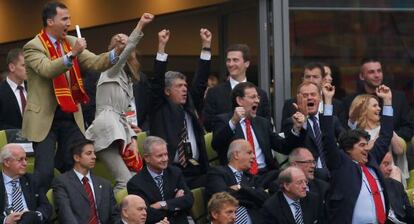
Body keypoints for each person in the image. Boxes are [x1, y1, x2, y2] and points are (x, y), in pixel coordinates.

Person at [22, 1, 126, 191]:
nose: (69, 23)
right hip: (45, 119)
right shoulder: (33, 46)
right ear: (50, 21)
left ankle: (77, 210)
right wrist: (72, 54)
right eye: (65, 19)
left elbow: (95, 63)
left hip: (70, 114)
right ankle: (40, 211)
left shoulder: (69, 42)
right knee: (45, 172)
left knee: (80, 165)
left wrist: (116, 51)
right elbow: (47, 69)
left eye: (69, 18)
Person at [85, 13, 153, 192]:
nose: (123, 46)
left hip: (118, 128)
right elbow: (126, 50)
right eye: (118, 44)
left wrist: (130, 132)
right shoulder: (111, 69)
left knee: (134, 180)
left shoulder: (127, 77)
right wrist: (140, 25)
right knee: (125, 182)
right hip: (106, 130)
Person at [322, 82, 393, 223]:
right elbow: (328, 137)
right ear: (348, 148)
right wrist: (328, 101)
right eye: (361, 145)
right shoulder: (340, 162)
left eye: (367, 145)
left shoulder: (371, 159)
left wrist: (387, 101)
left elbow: (385, 135)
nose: (367, 148)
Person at [149, 29, 211, 189]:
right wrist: (161, 46)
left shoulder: (190, 105)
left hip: (196, 169)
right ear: (167, 91)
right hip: (171, 172)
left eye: (185, 86)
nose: (184, 89)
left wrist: (206, 46)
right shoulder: (160, 107)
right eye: (179, 86)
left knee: (220, 179)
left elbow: (201, 81)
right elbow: (157, 80)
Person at [211, 82, 305, 181]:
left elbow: (283, 147)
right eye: (253, 97)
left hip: (266, 174)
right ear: (239, 100)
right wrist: (233, 122)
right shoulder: (224, 120)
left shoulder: (262, 123)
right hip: (239, 176)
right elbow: (216, 144)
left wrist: (296, 129)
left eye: (258, 97)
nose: (257, 101)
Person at [342, 57, 414, 142]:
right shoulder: (350, 101)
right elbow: (346, 131)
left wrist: (387, 139)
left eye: (379, 71)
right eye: (371, 72)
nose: (377, 75)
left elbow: (409, 128)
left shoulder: (399, 98)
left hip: (394, 148)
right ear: (362, 76)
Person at [283, 81, 344, 181]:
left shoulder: (331, 120)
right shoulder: (292, 122)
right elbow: (292, 145)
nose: (310, 97)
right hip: (309, 176)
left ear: (320, 98)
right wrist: (303, 121)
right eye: (305, 95)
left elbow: (344, 140)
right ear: (299, 99)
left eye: (313, 94)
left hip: (334, 171)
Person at [203, 44, 271, 132]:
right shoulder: (214, 93)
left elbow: (266, 125)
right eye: (228, 60)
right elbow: (208, 124)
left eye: (235, 60)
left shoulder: (261, 94)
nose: (231, 64)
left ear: (247, 63)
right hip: (226, 143)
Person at [127, 136, 194, 224]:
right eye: (160, 156)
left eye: (166, 154)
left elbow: (189, 200)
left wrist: (161, 204)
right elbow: (146, 215)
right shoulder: (135, 184)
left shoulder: (175, 172)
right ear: (147, 158)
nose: (165, 159)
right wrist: (175, 204)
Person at [52, 139, 119, 224]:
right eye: (89, 153)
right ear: (76, 157)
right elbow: (66, 214)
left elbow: (115, 215)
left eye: (94, 153)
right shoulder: (62, 182)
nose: (94, 156)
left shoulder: (105, 184)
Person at [349, 94, 408, 185]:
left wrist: (387, 128)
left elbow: (399, 150)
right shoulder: (356, 135)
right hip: (367, 178)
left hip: (391, 176)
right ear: (364, 109)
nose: (379, 108)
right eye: (374, 106)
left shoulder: (385, 129)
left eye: (379, 105)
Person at [206, 139, 269, 223]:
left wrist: (240, 188)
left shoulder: (251, 177)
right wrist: (251, 196)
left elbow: (265, 199)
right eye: (249, 153)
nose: (254, 156)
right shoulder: (217, 172)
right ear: (236, 155)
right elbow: (221, 198)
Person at [281, 62, 345, 132]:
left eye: (315, 77)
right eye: (308, 77)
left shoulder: (336, 105)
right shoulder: (290, 104)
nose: (311, 80)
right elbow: (284, 135)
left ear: (323, 80)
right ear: (302, 79)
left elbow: (341, 135)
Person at [0, 144, 52, 224]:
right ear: (7, 162)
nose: (25, 163)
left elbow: (46, 207)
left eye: (26, 159)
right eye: (20, 160)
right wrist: (5, 221)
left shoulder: (33, 180)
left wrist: (36, 216)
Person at [379, 152, 414, 223]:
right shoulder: (367, 188)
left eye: (390, 164)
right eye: (386, 164)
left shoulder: (397, 185)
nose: (390, 168)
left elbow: (409, 212)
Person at [0, 49, 27, 130]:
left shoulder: (34, 89)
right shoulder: (1, 92)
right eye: (24, 65)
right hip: (12, 141)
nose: (28, 69)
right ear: (12, 67)